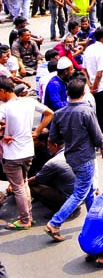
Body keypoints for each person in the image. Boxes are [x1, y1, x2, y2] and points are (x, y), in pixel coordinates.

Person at [46, 79, 103, 241]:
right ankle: (55, 222)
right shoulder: (86, 111)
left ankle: (93, 220)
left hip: (71, 156)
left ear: (67, 94)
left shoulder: (60, 113)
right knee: (80, 192)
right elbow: (97, 135)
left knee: (89, 188)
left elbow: (54, 137)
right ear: (83, 93)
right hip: (85, 157)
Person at [0, 77, 54, 230]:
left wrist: (2, 136)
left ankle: (25, 220)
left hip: (12, 154)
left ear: (3, 91)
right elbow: (50, 113)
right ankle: (28, 216)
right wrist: (37, 131)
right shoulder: (29, 102)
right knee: (23, 184)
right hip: (28, 151)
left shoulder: (4, 108)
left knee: (18, 187)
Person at [28, 136, 75, 213]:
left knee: (32, 187)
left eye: (49, 145)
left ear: (55, 146)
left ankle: (60, 210)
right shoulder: (72, 152)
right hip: (80, 196)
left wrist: (18, 187)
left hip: (69, 200)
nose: (48, 147)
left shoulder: (53, 162)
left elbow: (35, 180)